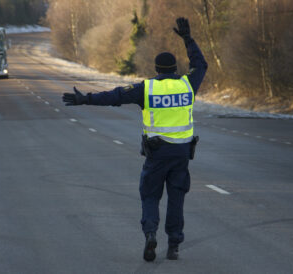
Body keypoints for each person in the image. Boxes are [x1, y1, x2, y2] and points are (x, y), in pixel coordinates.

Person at [62, 18, 207, 261]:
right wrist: (188, 40)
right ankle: (174, 244)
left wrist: (85, 99)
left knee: (150, 195)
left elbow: (115, 96)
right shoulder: (187, 85)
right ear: (174, 68)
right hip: (182, 154)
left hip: (157, 153)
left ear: (157, 69)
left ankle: (150, 233)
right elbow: (200, 65)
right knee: (177, 198)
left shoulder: (147, 88)